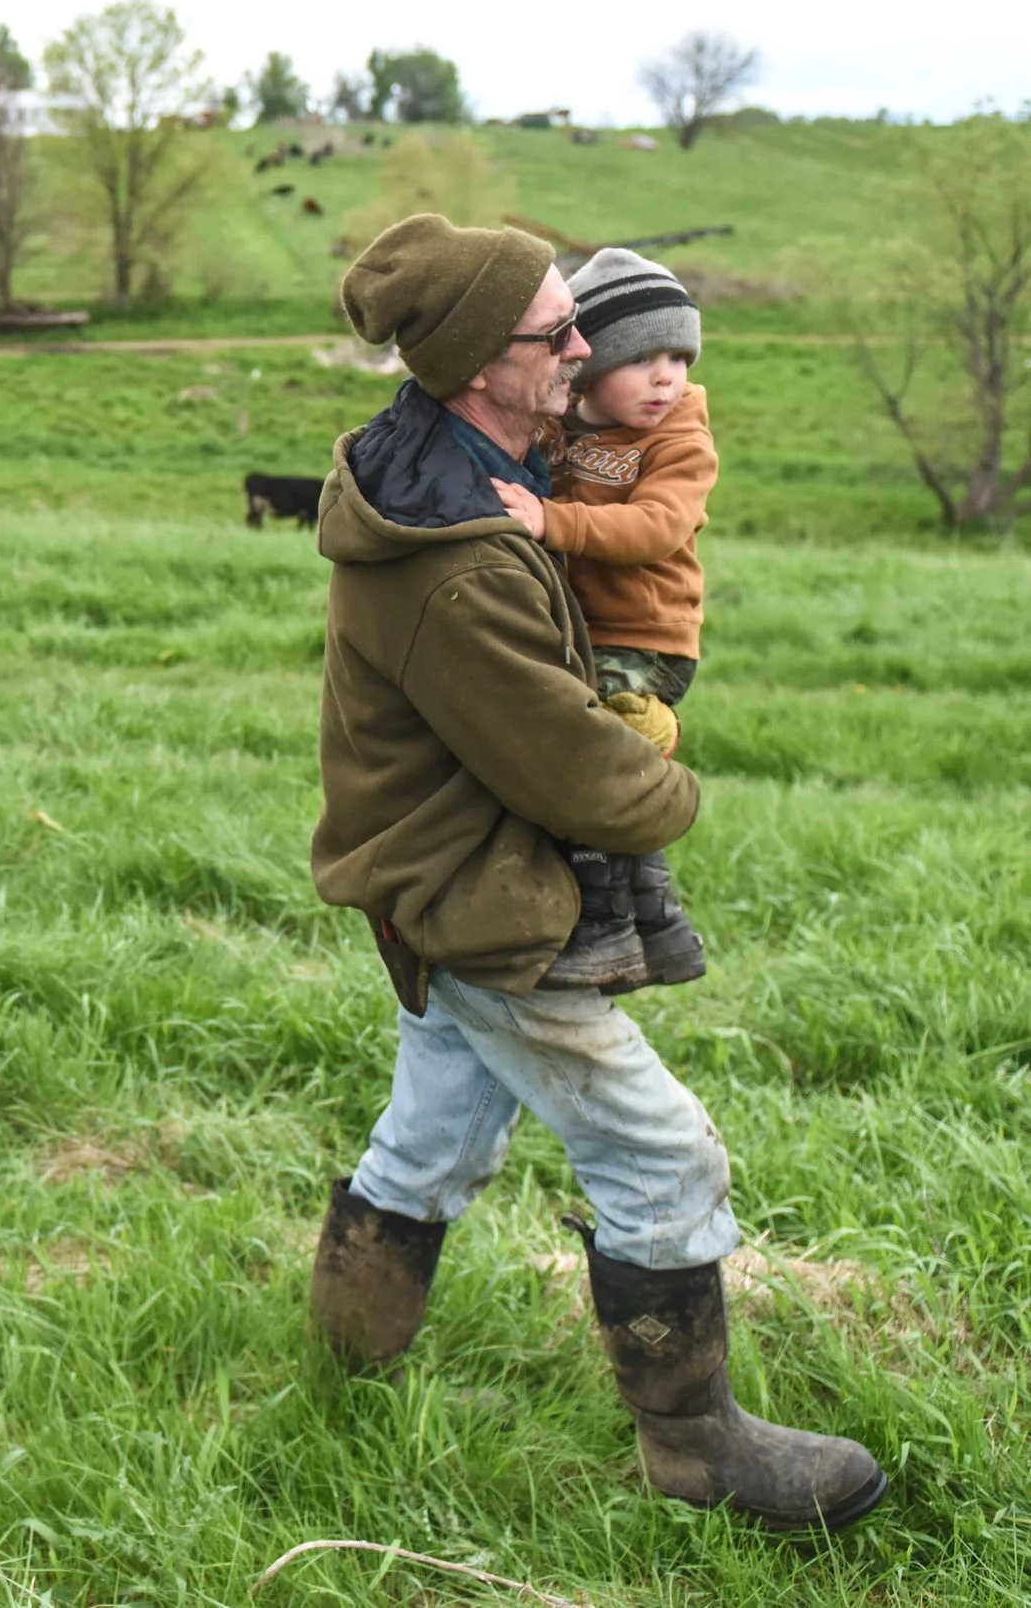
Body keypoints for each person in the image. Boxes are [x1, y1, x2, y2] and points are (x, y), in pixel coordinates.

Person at [303, 214, 885, 1532]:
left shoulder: (470, 468)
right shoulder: (458, 564)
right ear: (475, 366)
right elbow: (574, 772)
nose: (586, 347)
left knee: (431, 1140)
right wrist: (669, 777)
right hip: (485, 895)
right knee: (662, 1151)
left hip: (432, 884)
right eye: (556, 332)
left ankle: (339, 1373)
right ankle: (697, 1445)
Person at [487, 249, 713, 993]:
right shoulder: (562, 428)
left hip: (647, 640)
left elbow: (656, 529)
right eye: (642, 356)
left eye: (678, 357)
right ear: (587, 362)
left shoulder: (680, 438)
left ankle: (605, 928)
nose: (665, 378)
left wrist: (553, 522)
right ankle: (659, 924)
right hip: (582, 635)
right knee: (572, 745)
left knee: (594, 748)